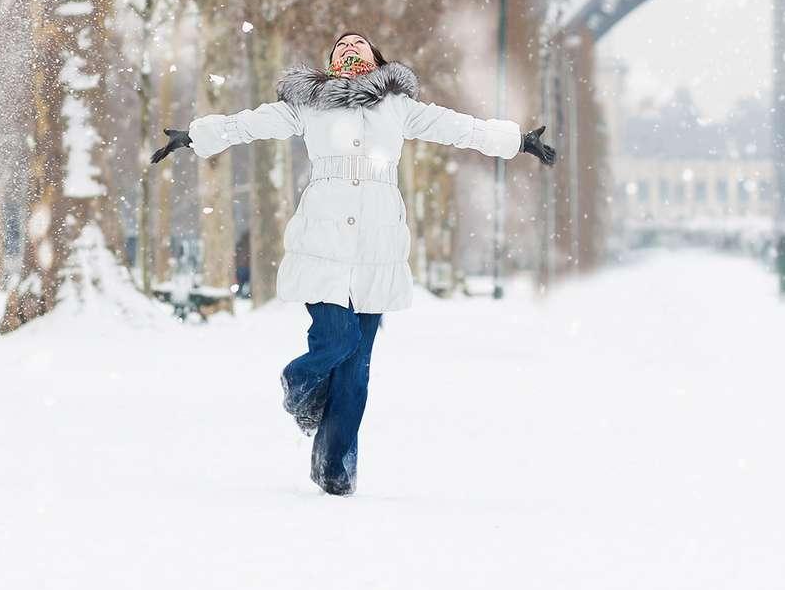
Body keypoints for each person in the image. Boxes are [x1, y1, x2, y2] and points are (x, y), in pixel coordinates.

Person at [150, 31, 557, 496]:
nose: (349, 48)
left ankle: (334, 469)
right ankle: (298, 383)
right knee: (336, 340)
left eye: (358, 44)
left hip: (377, 247)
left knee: (356, 368)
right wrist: (194, 136)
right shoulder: (309, 105)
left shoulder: (398, 108)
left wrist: (518, 141)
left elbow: (459, 128)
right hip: (322, 240)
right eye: (340, 46)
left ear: (376, 58)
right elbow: (247, 125)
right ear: (330, 63)